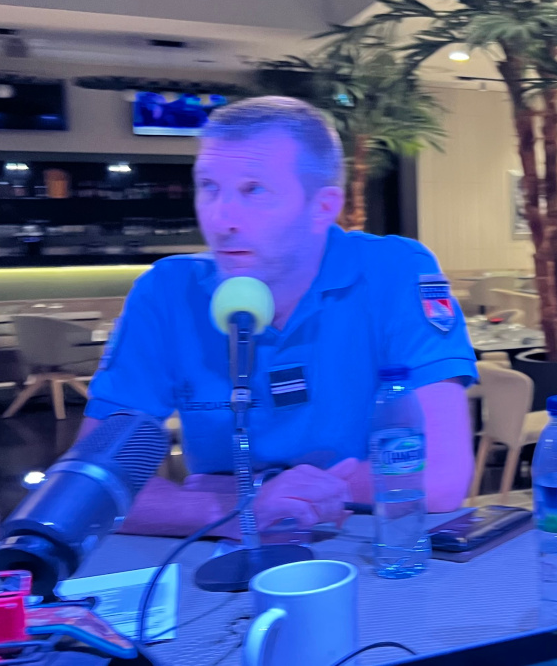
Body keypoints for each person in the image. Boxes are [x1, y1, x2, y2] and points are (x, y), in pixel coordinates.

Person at [80, 96, 477, 539]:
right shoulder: (167, 292)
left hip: (370, 545)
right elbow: (89, 489)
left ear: (322, 207)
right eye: (209, 187)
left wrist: (250, 495)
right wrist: (242, 510)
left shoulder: (394, 272)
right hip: (216, 553)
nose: (220, 219)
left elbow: (441, 479)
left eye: (253, 190)